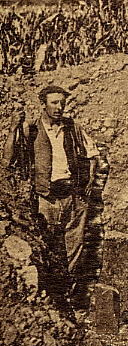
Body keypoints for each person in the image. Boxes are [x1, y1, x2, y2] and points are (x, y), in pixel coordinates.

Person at [2, 85, 99, 307]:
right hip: (46, 197)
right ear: (43, 104)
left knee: (75, 246)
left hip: (72, 196)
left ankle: (70, 295)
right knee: (48, 246)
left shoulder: (73, 127)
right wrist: (12, 129)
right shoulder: (32, 129)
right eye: (54, 102)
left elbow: (93, 154)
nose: (59, 107)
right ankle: (51, 298)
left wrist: (87, 184)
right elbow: (8, 160)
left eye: (62, 103)